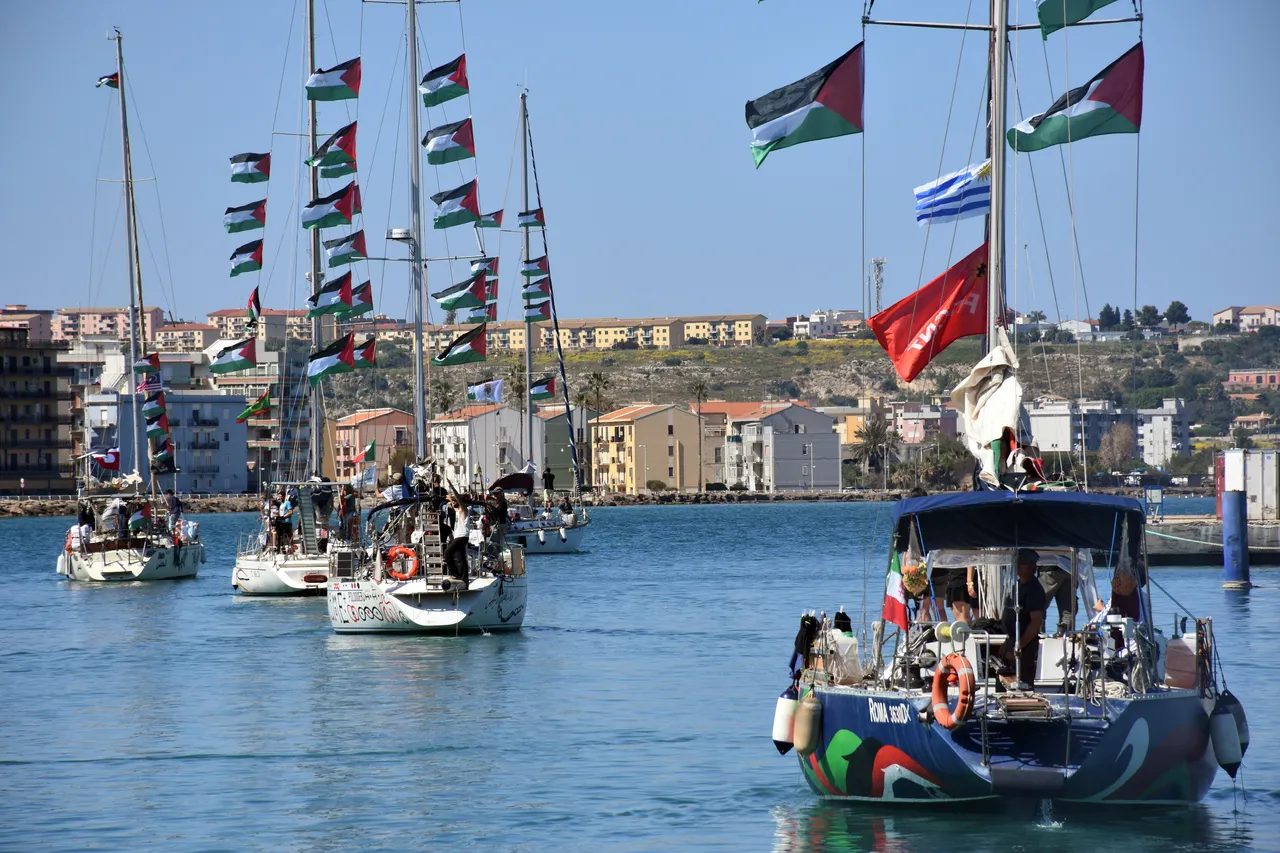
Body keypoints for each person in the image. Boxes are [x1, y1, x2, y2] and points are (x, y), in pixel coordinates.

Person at [999, 549, 1047, 689]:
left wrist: (1019, 646)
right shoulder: (1017, 586)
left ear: (1033, 566)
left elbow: (1036, 621)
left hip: (1025, 645)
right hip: (1012, 639)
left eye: (1023, 563)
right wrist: (1008, 643)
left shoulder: (1034, 589)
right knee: (1004, 681)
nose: (1019, 566)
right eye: (1017, 562)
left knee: (1023, 684)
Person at [1038, 558, 1076, 635]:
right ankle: (1065, 634)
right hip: (1069, 568)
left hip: (1049, 566)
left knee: (1038, 606)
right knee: (1068, 609)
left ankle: (1038, 633)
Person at [443, 492, 474, 584]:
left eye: (454, 502)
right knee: (462, 558)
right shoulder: (457, 511)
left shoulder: (464, 510)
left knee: (447, 552)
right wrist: (450, 499)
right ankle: (464, 579)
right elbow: (454, 506)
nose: (453, 504)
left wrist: (454, 495)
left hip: (461, 536)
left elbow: (460, 502)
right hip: (460, 537)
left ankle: (454, 574)